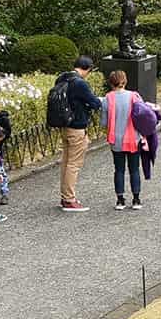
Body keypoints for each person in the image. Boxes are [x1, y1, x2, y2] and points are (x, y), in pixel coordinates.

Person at [102, 67, 161, 210]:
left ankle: (120, 200)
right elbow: (143, 115)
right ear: (125, 81)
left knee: (119, 170)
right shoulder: (134, 96)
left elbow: (103, 122)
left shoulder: (107, 99)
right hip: (134, 138)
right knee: (134, 169)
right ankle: (136, 199)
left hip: (116, 140)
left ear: (111, 83)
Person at [51, 54, 103, 213]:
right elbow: (94, 103)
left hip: (65, 125)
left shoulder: (62, 78)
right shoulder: (80, 83)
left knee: (66, 162)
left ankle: (65, 197)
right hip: (77, 127)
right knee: (74, 164)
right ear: (87, 69)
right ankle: (69, 200)